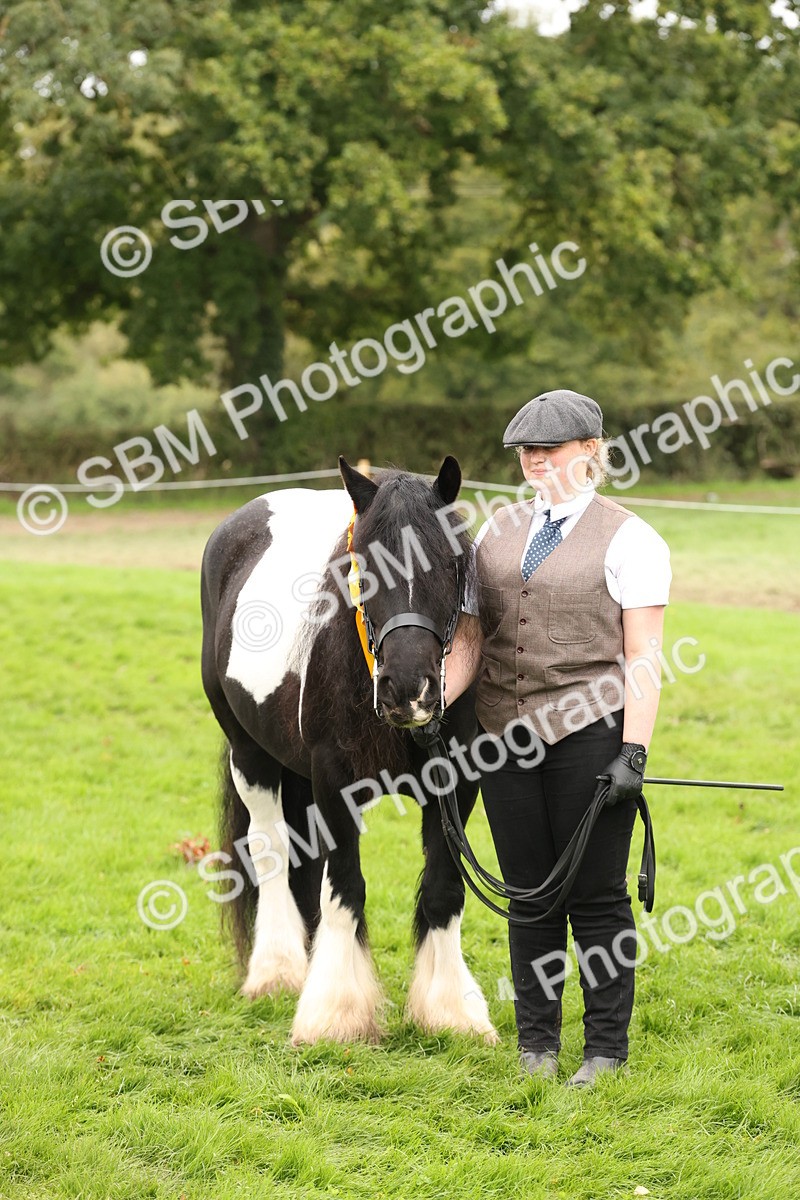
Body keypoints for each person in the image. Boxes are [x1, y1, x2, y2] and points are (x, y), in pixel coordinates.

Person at [445, 388, 671, 1087]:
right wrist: (431, 709)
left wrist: (633, 751)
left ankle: (605, 1049)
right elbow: (471, 639)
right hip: (502, 738)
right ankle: (536, 1045)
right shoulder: (496, 531)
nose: (534, 460)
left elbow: (642, 656)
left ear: (590, 452)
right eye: (526, 450)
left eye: (549, 448)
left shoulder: (631, 538)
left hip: (589, 737)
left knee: (597, 897)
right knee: (528, 894)